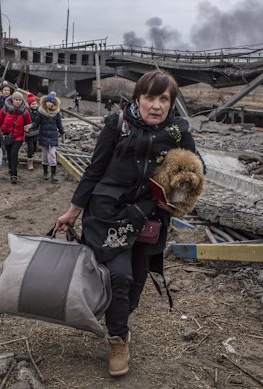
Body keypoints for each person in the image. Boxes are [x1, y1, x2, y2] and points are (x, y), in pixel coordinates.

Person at [54, 70, 203, 377]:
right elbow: (93, 172)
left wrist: (174, 198)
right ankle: (118, 339)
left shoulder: (178, 132)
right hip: (109, 214)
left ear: (171, 102)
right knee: (119, 277)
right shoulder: (116, 125)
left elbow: (197, 171)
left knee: (135, 282)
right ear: (137, 98)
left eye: (164, 99)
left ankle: (117, 315)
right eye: (149, 97)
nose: (156, 105)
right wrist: (73, 211)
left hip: (149, 218)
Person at [0, 91, 31, 184]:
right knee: (9, 153)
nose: (18, 101)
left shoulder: (25, 111)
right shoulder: (5, 110)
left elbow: (28, 123)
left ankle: (14, 174)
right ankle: (10, 168)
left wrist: (28, 128)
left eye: (20, 100)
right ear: (12, 100)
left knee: (14, 153)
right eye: (16, 99)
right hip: (7, 135)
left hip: (18, 136)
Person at [32, 93, 64, 182]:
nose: (49, 103)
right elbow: (36, 123)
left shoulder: (57, 112)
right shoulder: (41, 112)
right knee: (45, 156)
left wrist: (62, 132)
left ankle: (53, 174)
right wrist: (30, 127)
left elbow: (59, 124)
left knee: (53, 155)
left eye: (51, 102)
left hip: (53, 136)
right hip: (43, 136)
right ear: (45, 102)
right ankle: (45, 172)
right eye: (48, 102)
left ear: (54, 103)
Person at [25, 93, 40, 171]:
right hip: (29, 133)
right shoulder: (27, 113)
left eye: (35, 104)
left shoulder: (38, 113)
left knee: (34, 148)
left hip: (36, 133)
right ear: (29, 105)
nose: (34, 105)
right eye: (32, 104)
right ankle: (29, 162)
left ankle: (32, 157)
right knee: (30, 148)